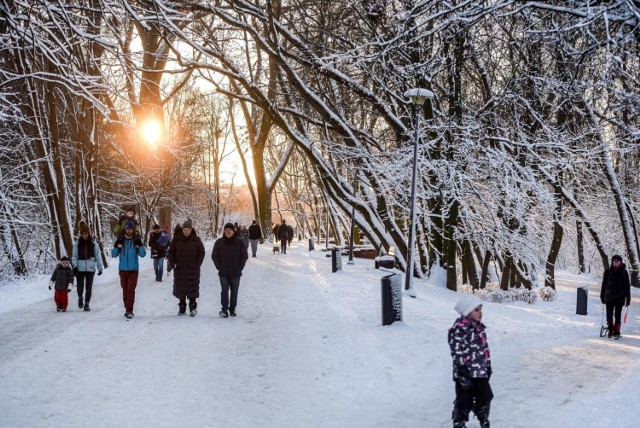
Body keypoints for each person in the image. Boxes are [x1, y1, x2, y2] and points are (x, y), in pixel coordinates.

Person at [448, 294, 492, 428]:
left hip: (480, 371)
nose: (480, 313)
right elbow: (456, 350)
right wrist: (461, 369)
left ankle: (482, 416)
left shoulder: (480, 328)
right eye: (476, 310)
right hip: (465, 373)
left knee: (486, 395)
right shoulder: (459, 329)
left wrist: (488, 365)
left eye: (480, 309)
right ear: (467, 312)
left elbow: (485, 349)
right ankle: (459, 419)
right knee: (464, 399)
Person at [167, 220, 205, 316]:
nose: (186, 232)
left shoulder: (196, 239)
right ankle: (182, 307)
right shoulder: (176, 239)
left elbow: (202, 252)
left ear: (191, 230)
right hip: (180, 268)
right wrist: (173, 263)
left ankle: (192, 307)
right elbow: (171, 252)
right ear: (182, 230)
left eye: (188, 230)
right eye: (185, 230)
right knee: (181, 287)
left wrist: (197, 264)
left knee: (193, 288)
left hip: (193, 269)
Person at [111, 220, 146, 319]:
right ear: (125, 229)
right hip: (122, 269)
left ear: (133, 229)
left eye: (131, 228)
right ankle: (127, 306)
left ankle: (129, 310)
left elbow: (143, 254)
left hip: (133, 269)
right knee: (124, 289)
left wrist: (140, 244)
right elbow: (114, 254)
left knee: (131, 289)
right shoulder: (121, 239)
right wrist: (116, 245)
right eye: (127, 228)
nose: (129, 230)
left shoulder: (136, 240)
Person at [212, 222, 248, 318]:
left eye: (230, 230)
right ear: (224, 231)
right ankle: (224, 309)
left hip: (236, 272)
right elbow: (214, 256)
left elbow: (245, 255)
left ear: (233, 231)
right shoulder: (219, 242)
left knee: (234, 291)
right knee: (224, 290)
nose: (228, 232)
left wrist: (240, 267)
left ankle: (232, 309)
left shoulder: (239, 242)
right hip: (223, 272)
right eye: (226, 230)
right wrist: (218, 266)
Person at [72, 222, 103, 311]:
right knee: (80, 286)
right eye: (83, 234)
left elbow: (98, 256)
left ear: (89, 233)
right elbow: (74, 256)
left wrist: (100, 267)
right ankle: (80, 297)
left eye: (86, 233)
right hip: (80, 268)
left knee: (89, 286)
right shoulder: (77, 244)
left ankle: (87, 304)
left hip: (91, 267)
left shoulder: (93, 244)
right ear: (81, 234)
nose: (85, 235)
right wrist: (74, 266)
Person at [600, 254, 631, 339]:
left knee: (618, 315)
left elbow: (627, 286)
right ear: (612, 262)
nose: (615, 263)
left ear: (620, 262)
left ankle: (616, 331)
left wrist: (628, 299)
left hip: (620, 297)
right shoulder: (607, 272)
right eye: (614, 261)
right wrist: (602, 296)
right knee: (609, 314)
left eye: (617, 261)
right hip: (609, 296)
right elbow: (604, 284)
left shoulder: (624, 273)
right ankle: (610, 330)